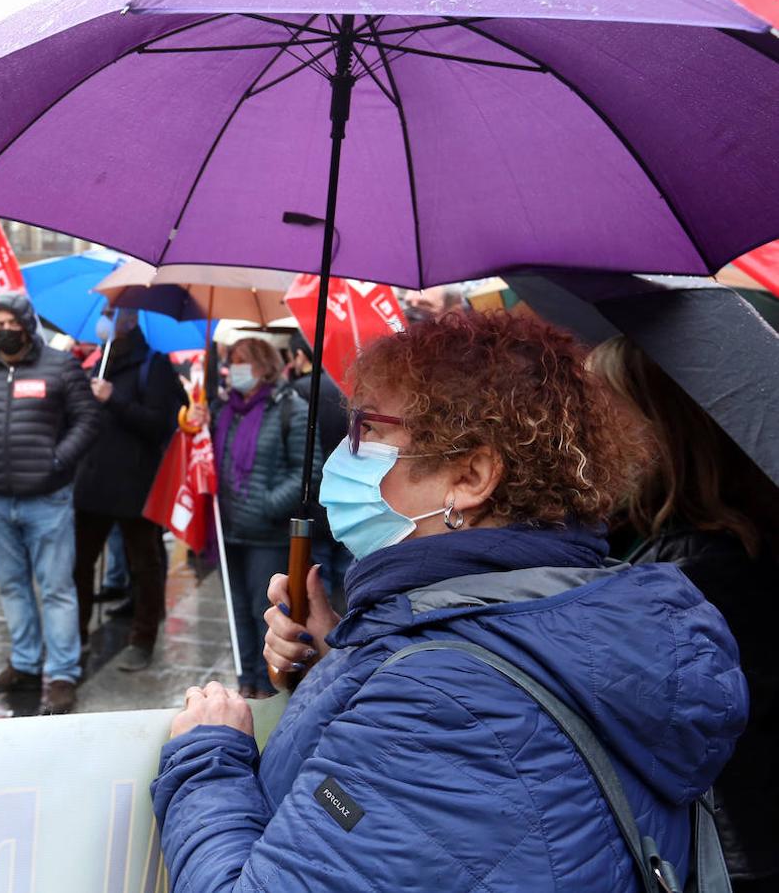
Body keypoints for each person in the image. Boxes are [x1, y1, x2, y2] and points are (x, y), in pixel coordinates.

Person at [151, 311, 747, 893]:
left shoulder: (440, 702)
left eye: (369, 432)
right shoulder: (567, 610)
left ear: (472, 477)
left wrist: (208, 760)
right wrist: (343, 663)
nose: (344, 454)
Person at [589, 335, 778, 893]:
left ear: (661, 431)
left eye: (607, 415)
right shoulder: (671, 542)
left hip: (738, 855)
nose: (591, 438)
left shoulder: (706, 569)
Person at [0, 294, 98, 715]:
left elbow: (87, 419)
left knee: (56, 589)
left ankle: (64, 672)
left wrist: (58, 460)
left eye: (12, 322)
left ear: (28, 324)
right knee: (12, 587)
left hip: (48, 499)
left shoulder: (61, 366)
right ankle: (27, 665)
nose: (5, 330)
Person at [188, 336, 313, 699]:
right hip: (230, 528)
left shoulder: (291, 407)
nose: (233, 369)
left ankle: (267, 684)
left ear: (264, 365)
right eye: (231, 360)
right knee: (237, 610)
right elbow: (207, 457)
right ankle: (246, 679)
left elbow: (308, 473)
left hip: (266, 533)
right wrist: (197, 423)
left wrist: (267, 504)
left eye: (241, 361)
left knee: (266, 612)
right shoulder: (226, 409)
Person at [72, 307, 185, 671]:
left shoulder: (155, 365)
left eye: (111, 313)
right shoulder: (99, 362)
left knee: (144, 564)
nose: (104, 320)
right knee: (79, 564)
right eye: (103, 312)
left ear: (130, 319)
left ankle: (143, 637)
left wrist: (113, 400)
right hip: (93, 480)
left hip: (136, 482)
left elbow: (159, 424)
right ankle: (75, 636)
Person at [288, 331, 350, 613]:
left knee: (316, 575)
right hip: (349, 492)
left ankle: (321, 632)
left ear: (300, 356)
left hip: (315, 496)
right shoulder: (347, 387)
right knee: (345, 571)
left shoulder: (300, 390)